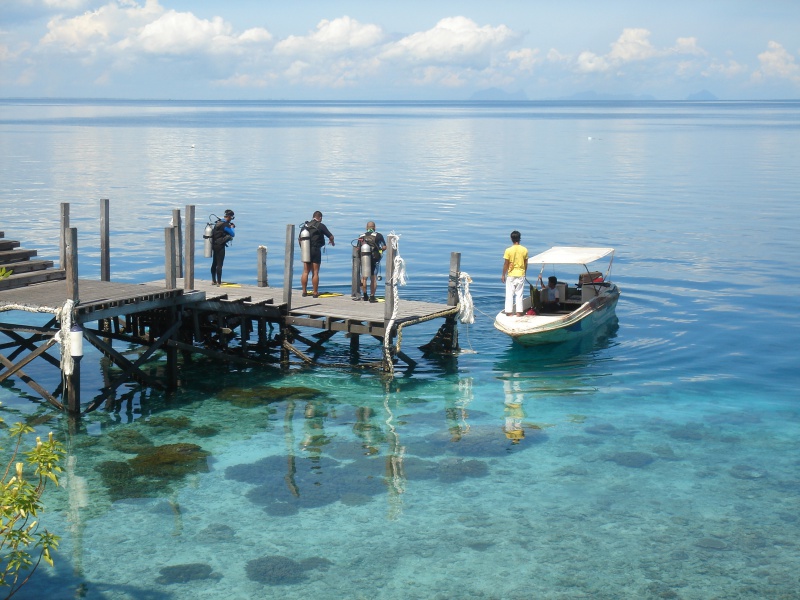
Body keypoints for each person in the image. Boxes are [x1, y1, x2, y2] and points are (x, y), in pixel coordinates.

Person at [299, 210, 335, 298]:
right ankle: (315, 293)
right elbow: (331, 236)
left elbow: (299, 239)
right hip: (315, 250)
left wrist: (303, 249)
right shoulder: (320, 225)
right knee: (315, 272)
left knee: (305, 271)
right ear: (320, 218)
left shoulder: (305, 226)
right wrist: (332, 241)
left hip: (306, 249)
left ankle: (304, 292)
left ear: (313, 217)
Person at [357, 221, 387, 302]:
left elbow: (358, 248)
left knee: (364, 278)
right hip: (375, 259)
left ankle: (365, 295)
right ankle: (372, 296)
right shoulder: (378, 235)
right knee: (373, 278)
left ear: (366, 228)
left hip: (364, 259)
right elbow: (384, 247)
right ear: (375, 228)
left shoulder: (361, 236)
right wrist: (380, 251)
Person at [501, 230, 527, 316]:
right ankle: (519, 313)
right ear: (520, 238)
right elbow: (525, 263)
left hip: (511, 274)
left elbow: (506, 264)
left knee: (509, 294)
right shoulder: (524, 250)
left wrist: (503, 274)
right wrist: (524, 273)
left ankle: (509, 313)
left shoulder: (508, 250)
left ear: (511, 239)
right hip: (521, 274)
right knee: (519, 294)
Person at [210, 209, 235, 286]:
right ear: (229, 216)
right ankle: (219, 282)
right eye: (232, 217)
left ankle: (213, 280)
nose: (231, 219)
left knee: (214, 263)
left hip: (214, 244)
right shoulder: (225, 225)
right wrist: (232, 227)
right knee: (219, 264)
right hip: (220, 246)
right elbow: (232, 234)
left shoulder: (218, 223)